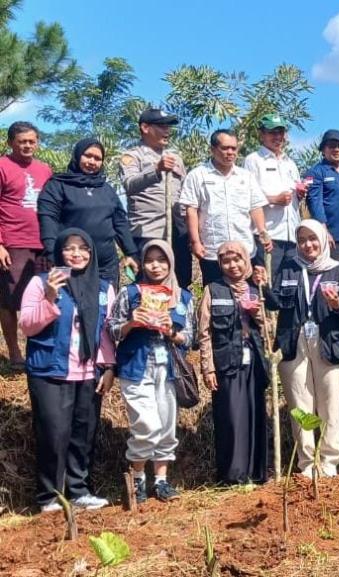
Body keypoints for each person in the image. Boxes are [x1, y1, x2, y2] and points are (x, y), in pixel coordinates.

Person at [21, 229, 116, 512]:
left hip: (88, 373)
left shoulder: (103, 288)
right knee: (53, 433)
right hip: (51, 371)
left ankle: (78, 491)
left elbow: (107, 331)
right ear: (59, 252)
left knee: (83, 435)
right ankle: (49, 497)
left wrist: (109, 367)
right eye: (69, 248)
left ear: (92, 253)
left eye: (83, 248)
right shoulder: (40, 283)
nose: (76, 253)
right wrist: (50, 297)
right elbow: (28, 325)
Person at [108, 240, 193, 503]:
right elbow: (111, 329)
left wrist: (171, 332)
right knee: (147, 425)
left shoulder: (182, 297)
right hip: (135, 366)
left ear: (170, 262)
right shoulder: (130, 293)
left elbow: (190, 338)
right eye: (149, 260)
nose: (155, 266)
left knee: (167, 427)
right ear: (142, 264)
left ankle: (161, 482)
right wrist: (132, 323)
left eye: (161, 260)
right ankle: (136, 478)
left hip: (168, 369)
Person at [265, 220, 339, 478]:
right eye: (302, 240)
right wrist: (263, 286)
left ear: (323, 240)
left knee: (329, 402)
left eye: (313, 239)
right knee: (300, 404)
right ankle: (307, 461)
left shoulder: (338, 271)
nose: (308, 245)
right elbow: (275, 302)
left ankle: (329, 459)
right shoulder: (289, 268)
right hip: (294, 341)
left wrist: (336, 306)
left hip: (328, 341)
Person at [197, 242, 270, 485]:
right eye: (227, 261)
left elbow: (270, 330)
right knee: (231, 416)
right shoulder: (212, 290)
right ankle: (233, 476)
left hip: (254, 362)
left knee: (255, 413)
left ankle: (257, 473)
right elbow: (204, 332)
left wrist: (256, 313)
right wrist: (207, 367)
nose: (233, 265)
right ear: (220, 265)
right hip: (227, 362)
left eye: (237, 259)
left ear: (246, 260)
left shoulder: (255, 287)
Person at [38, 138, 139, 285]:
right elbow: (48, 220)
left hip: (105, 266)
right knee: (68, 306)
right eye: (88, 156)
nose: (92, 161)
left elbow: (120, 223)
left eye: (97, 158)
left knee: (106, 306)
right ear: (77, 155)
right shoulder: (57, 185)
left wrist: (131, 253)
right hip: (69, 263)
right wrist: (52, 255)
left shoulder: (106, 189)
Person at [180, 130, 273, 284]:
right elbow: (191, 210)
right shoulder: (197, 175)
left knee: (249, 298)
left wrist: (263, 233)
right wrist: (195, 241)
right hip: (212, 251)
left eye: (234, 148)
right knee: (217, 300)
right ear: (213, 149)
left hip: (245, 251)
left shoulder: (246, 176)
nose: (230, 152)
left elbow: (255, 207)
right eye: (225, 148)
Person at [120, 108, 191, 287]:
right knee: (148, 284)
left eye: (168, 126)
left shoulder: (176, 158)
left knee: (181, 282)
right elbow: (130, 185)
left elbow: (185, 193)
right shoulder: (132, 156)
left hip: (177, 232)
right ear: (145, 127)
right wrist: (156, 170)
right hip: (148, 231)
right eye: (161, 126)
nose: (167, 131)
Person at [0, 121, 51, 369]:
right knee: (9, 300)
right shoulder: (2, 166)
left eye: (32, 141)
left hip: (41, 244)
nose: (28, 145)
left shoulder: (45, 169)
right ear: (11, 143)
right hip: (12, 243)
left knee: (43, 297)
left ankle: (40, 350)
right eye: (22, 141)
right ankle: (14, 353)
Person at [244, 114, 303, 275]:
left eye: (280, 132)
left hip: (291, 237)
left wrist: (301, 193)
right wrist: (273, 199)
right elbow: (247, 196)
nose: (277, 137)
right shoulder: (253, 160)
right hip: (268, 235)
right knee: (267, 285)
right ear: (261, 134)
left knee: (288, 287)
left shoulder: (290, 163)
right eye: (272, 132)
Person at [304, 130, 339, 268]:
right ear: (324, 150)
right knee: (335, 276)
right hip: (333, 238)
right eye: (331, 146)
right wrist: (324, 232)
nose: (336, 149)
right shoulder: (315, 172)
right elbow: (314, 201)